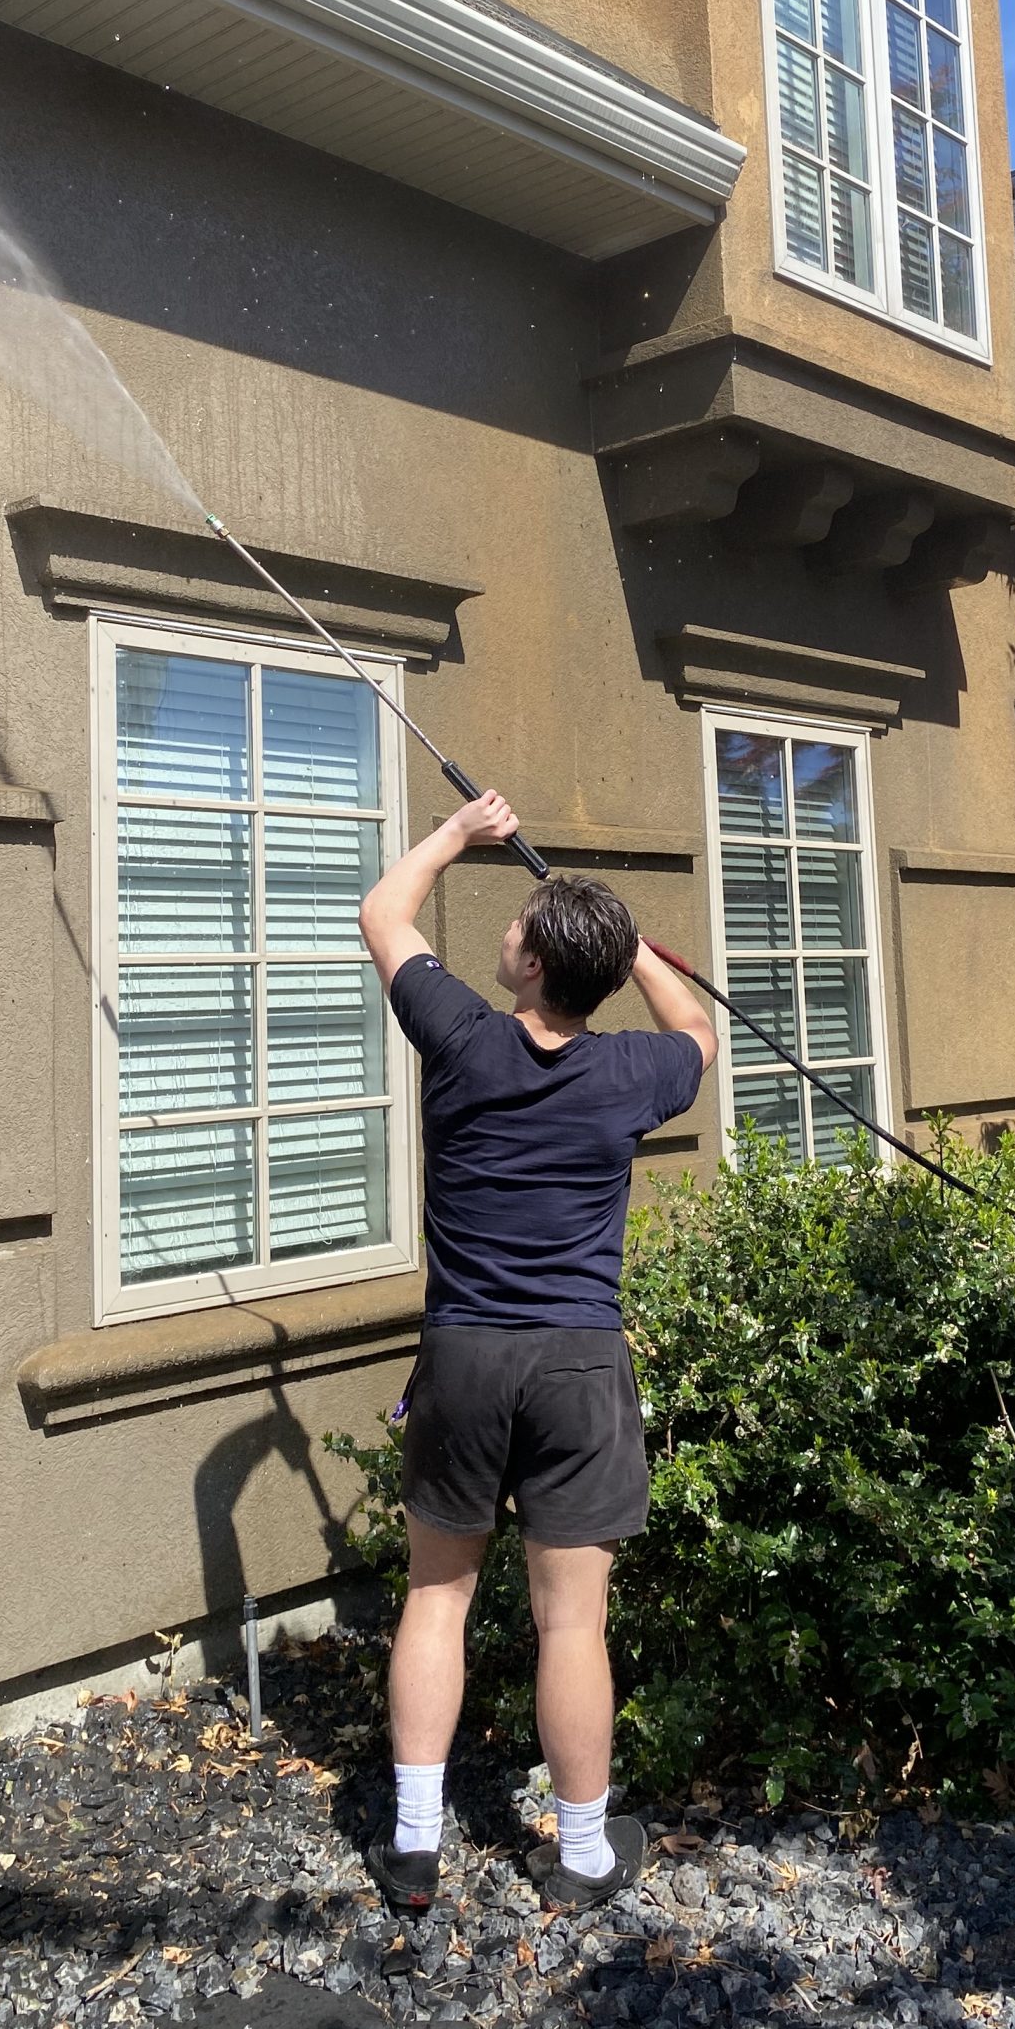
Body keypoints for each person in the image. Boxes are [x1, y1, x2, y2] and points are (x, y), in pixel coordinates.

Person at [356, 789, 718, 1916]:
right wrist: (635, 942)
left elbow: (384, 910)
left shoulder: (460, 1037)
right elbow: (696, 1030)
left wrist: (459, 834)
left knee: (435, 1598)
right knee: (573, 1621)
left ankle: (416, 1846)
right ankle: (582, 1854)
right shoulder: (629, 1074)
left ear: (525, 968)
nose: (506, 930)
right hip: (576, 1366)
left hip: (465, 1358)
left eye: (520, 926)